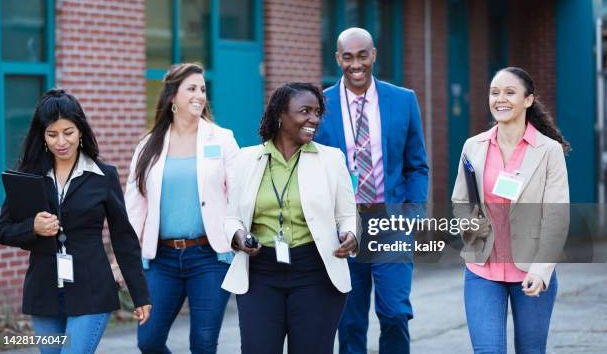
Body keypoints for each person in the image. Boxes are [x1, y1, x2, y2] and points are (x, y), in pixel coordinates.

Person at [0, 89, 151, 354]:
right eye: (52, 134)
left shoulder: (104, 175)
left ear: (80, 131)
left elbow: (123, 237)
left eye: (68, 132)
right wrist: (32, 227)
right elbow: (4, 231)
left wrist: (140, 295)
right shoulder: (29, 175)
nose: (61, 142)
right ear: (42, 136)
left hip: (91, 290)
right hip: (44, 292)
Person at [314, 27, 429, 353]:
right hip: (342, 226)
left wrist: (414, 212)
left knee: (394, 312)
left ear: (373, 54)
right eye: (347, 57)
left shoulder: (403, 100)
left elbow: (416, 164)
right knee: (349, 320)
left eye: (362, 56)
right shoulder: (320, 104)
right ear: (338, 59)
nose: (355, 64)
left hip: (390, 222)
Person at [221, 82, 358, 354]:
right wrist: (238, 236)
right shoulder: (248, 160)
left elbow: (348, 214)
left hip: (316, 274)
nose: (313, 119)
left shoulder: (331, 160)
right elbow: (232, 218)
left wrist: (351, 235)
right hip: (260, 274)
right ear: (280, 115)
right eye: (304, 111)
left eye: (317, 112)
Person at [451, 66, 570, 353]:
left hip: (531, 270)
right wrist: (468, 222)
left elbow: (556, 216)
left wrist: (542, 270)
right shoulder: (473, 146)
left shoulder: (548, 150)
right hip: (482, 268)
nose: (500, 99)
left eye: (509, 92)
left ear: (528, 100)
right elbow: (460, 201)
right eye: (494, 92)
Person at [125, 62, 239, 354]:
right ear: (172, 96)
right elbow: (135, 206)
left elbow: (241, 194)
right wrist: (122, 256)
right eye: (191, 89)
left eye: (202, 89)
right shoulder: (148, 145)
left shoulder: (222, 138)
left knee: (202, 344)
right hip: (161, 259)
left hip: (210, 257)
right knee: (148, 341)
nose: (199, 95)